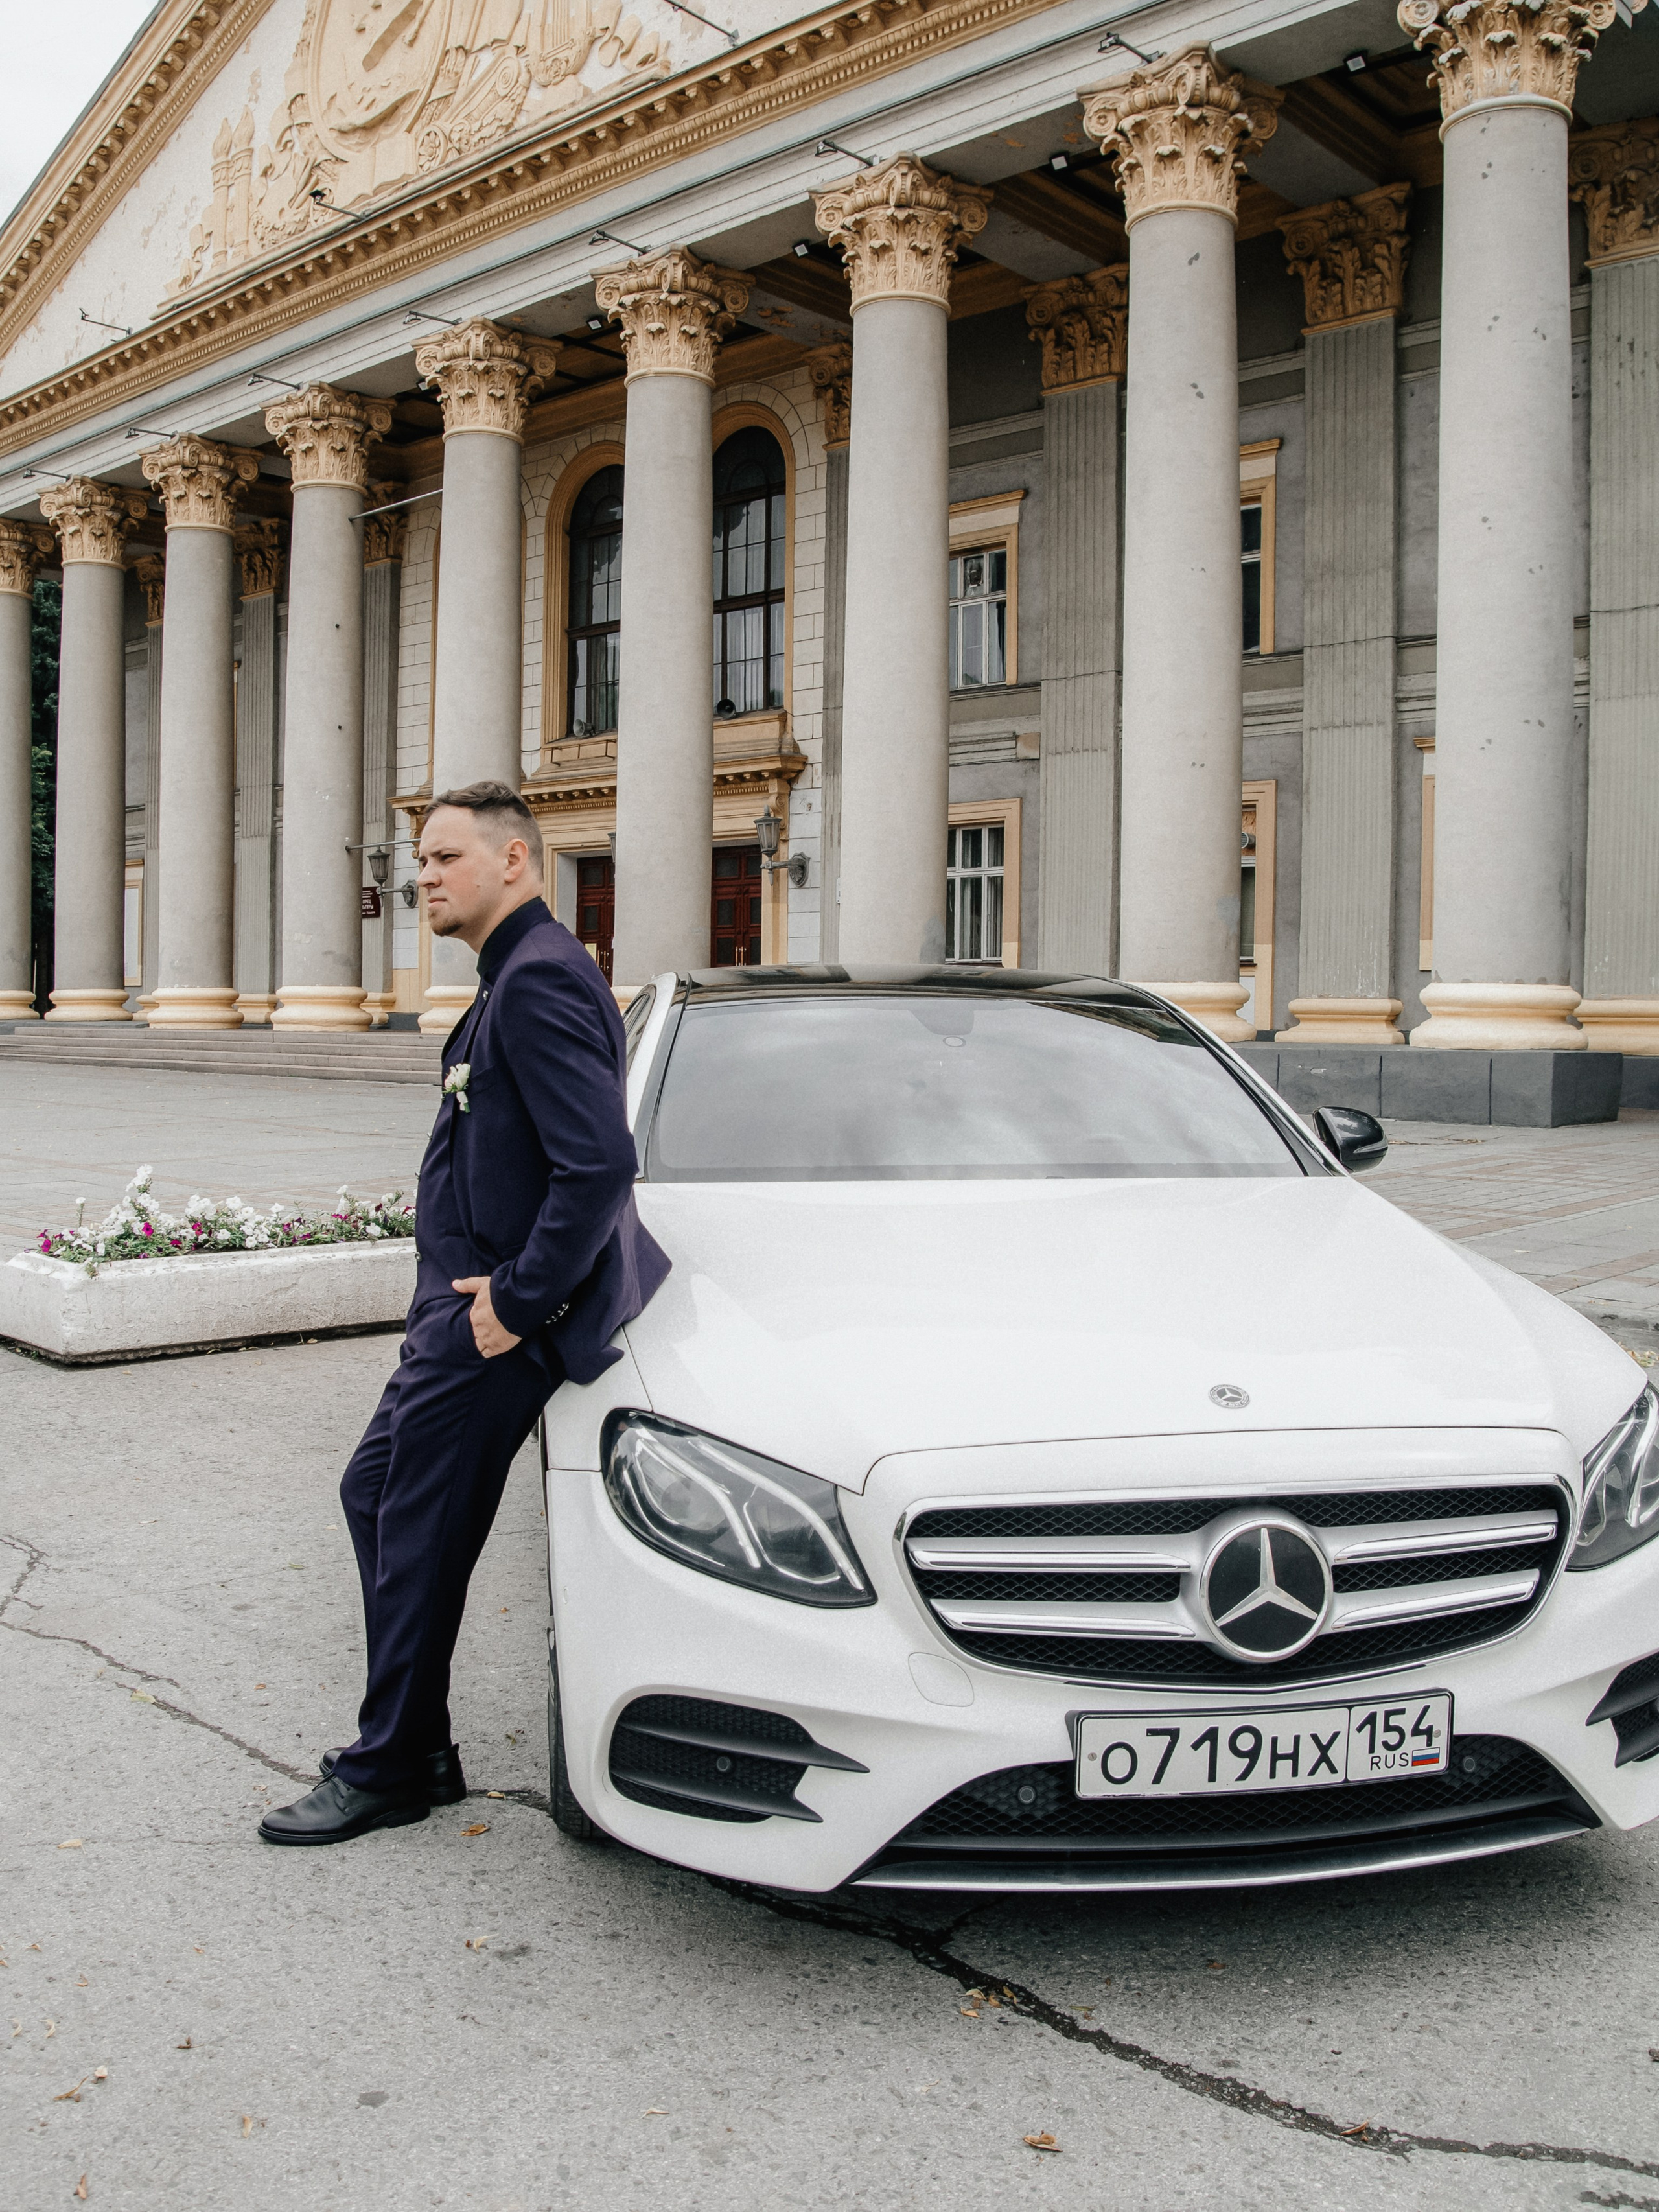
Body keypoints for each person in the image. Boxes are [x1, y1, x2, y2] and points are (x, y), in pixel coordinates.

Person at [260, 781, 668, 1845]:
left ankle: (391, 1760)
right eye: (422, 861)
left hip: (488, 1321)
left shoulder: (534, 979)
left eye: (445, 858)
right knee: (378, 1497)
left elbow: (601, 1164)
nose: (424, 876)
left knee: (414, 1522)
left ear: (515, 862)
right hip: (460, 1315)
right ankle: (422, 1740)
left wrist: (517, 1306)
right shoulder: (517, 974)